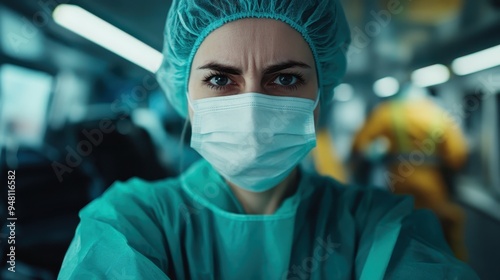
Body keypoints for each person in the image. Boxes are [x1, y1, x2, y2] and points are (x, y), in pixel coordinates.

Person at [58, 0, 479, 279]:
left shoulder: (379, 227)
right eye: (221, 79)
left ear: (320, 96)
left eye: (286, 78)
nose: (254, 105)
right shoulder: (130, 223)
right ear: (186, 96)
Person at [351, 84, 469, 260]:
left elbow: (359, 146)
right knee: (441, 234)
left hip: (398, 183)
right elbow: (457, 155)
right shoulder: (439, 113)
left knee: (399, 234)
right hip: (432, 186)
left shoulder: (386, 112)